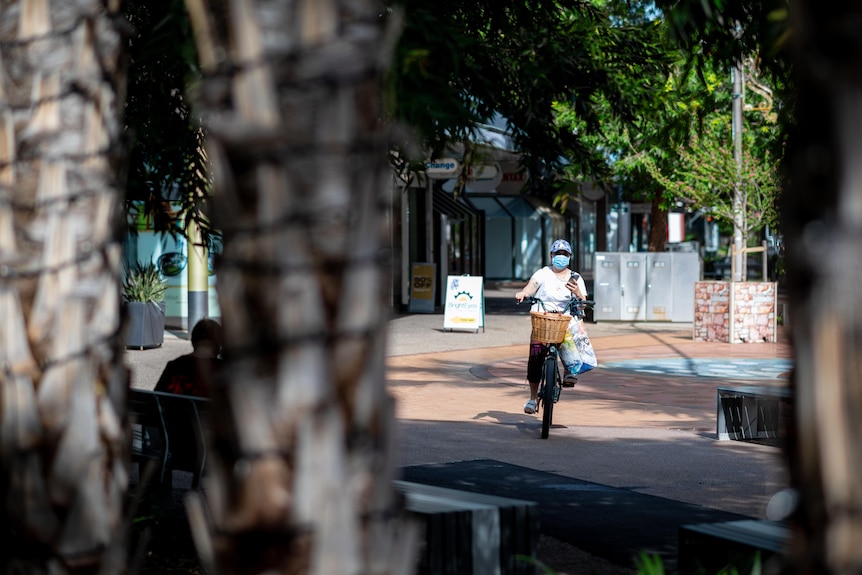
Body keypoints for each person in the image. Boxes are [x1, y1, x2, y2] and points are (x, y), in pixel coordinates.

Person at [514, 239, 587, 415]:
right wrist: (523, 293)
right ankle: (532, 398)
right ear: (551, 256)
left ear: (570, 257)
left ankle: (570, 370)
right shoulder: (542, 273)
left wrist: (577, 293)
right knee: (535, 357)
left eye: (565, 254)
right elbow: (531, 287)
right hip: (543, 322)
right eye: (557, 254)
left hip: (565, 323)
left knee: (570, 341)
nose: (561, 257)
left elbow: (583, 303)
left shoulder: (576, 277)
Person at [154, 318, 223, 397]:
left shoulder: (174, 366)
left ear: (193, 342)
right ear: (218, 344)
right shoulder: (223, 369)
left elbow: (156, 399)